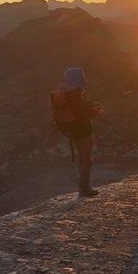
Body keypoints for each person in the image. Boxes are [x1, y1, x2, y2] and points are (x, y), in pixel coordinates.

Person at [52, 67, 104, 197]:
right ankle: (84, 188)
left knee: (83, 157)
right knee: (87, 159)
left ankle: (82, 185)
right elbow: (81, 112)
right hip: (84, 131)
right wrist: (95, 110)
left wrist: (90, 106)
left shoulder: (65, 92)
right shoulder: (76, 92)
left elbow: (79, 108)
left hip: (73, 132)